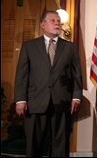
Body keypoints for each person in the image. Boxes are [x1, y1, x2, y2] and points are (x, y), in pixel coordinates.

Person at [14, 11, 83, 157]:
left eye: (58, 20)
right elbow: (22, 76)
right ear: (42, 25)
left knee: (60, 145)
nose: (57, 23)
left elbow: (77, 74)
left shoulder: (69, 47)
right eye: (53, 20)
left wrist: (76, 97)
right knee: (34, 145)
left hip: (61, 101)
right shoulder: (29, 46)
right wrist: (20, 99)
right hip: (35, 102)